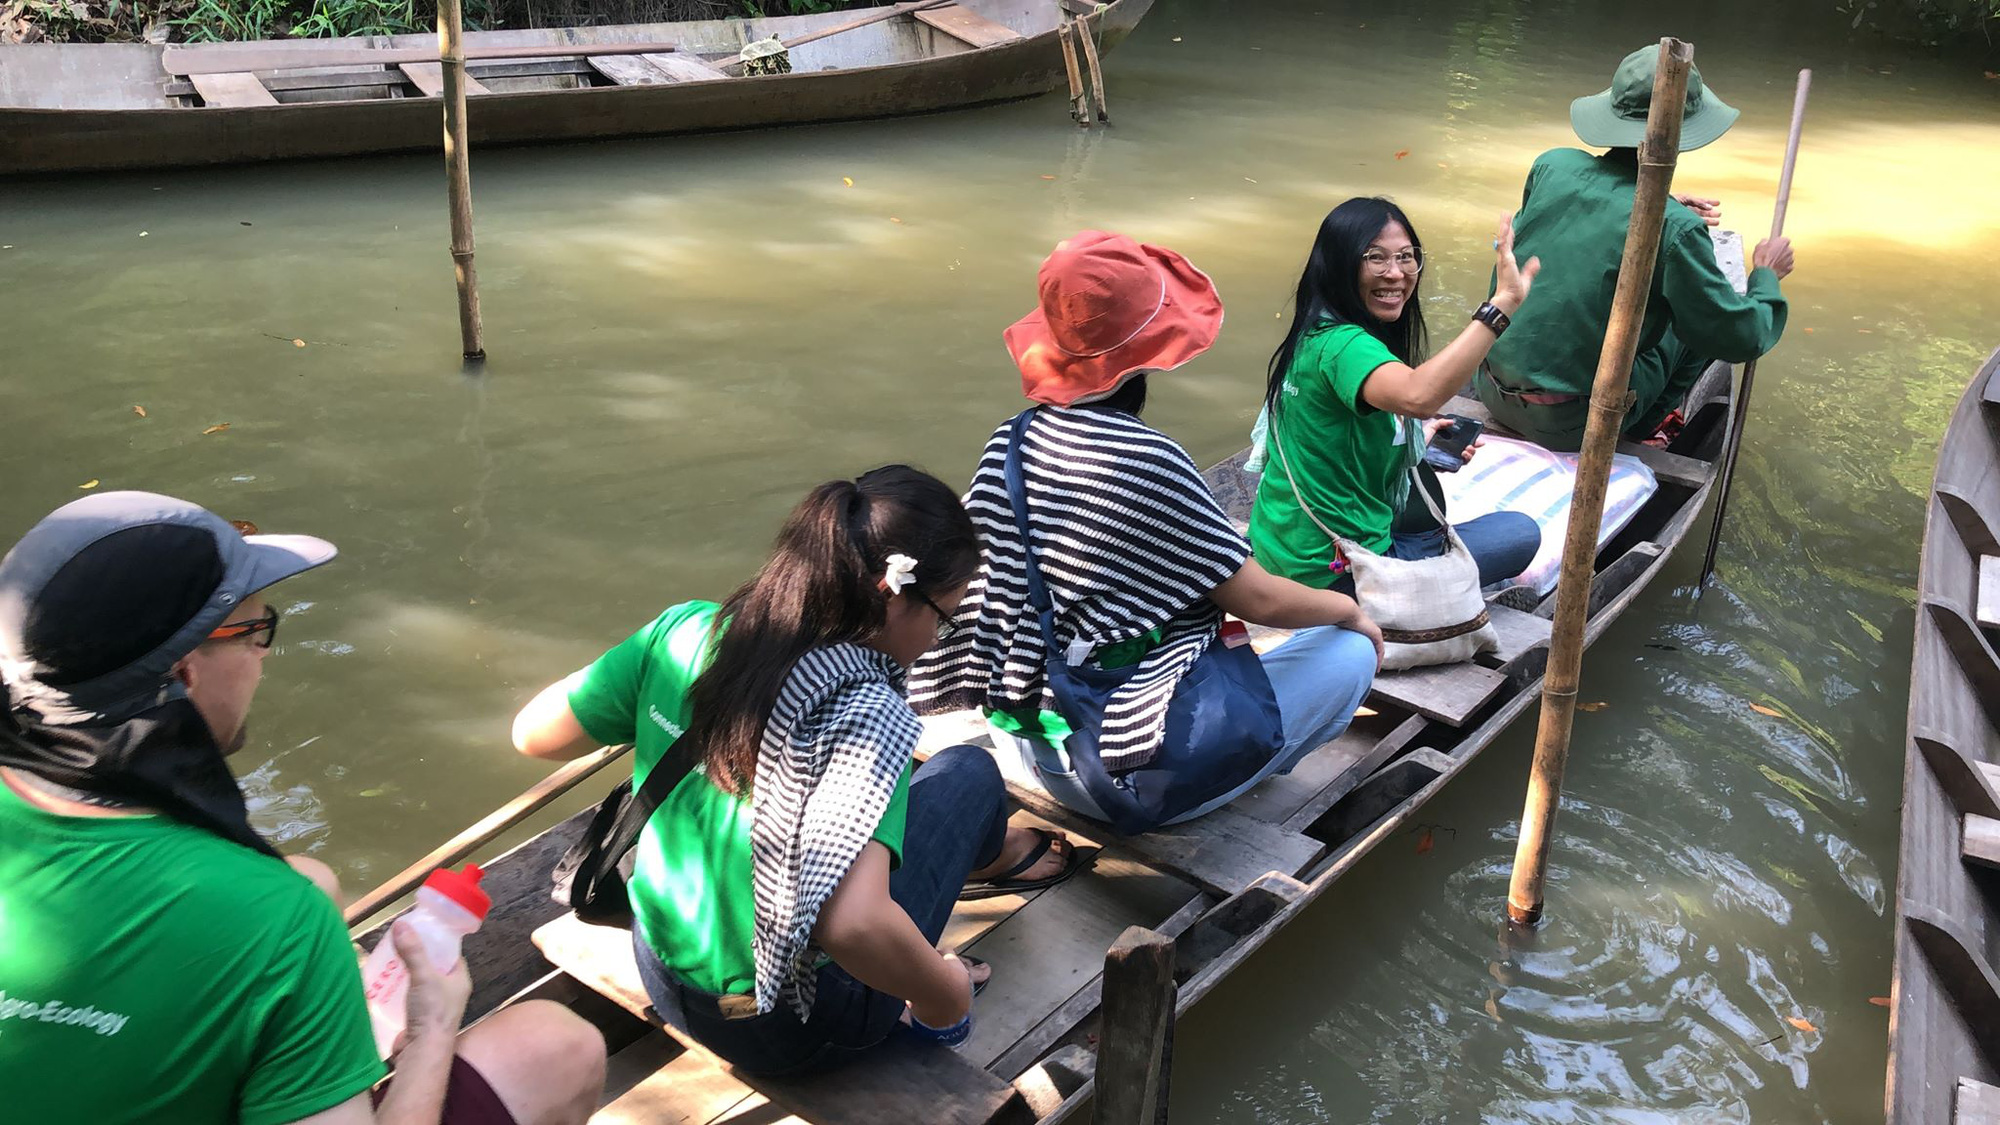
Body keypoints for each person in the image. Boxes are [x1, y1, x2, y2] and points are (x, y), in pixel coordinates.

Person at [0, 491, 606, 1125]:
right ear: (182, 674)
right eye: (256, 632)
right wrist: (430, 1034)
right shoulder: (271, 920)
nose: (263, 656)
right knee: (552, 1049)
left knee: (312, 881)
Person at [511, 466, 1082, 1076]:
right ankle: (987, 865)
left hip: (660, 966)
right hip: (788, 1026)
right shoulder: (866, 718)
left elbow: (534, 734)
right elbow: (853, 926)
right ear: (893, 593)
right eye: (943, 618)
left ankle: (976, 866)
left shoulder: (689, 630)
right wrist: (945, 997)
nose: (938, 636)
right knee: (969, 771)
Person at [906, 230, 1385, 829]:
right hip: (1127, 777)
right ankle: (1240, 771)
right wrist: (1349, 613)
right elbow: (1257, 597)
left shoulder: (1009, 440)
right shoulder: (1146, 457)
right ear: (1148, 355)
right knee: (1347, 652)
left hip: (1028, 746)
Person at [1474, 44, 1794, 451]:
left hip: (1488, 386)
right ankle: (1636, 430)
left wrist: (1665, 202)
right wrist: (1766, 276)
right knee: (1696, 327)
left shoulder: (1552, 165)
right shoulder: (1675, 228)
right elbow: (1740, 338)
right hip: (1572, 423)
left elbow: (1592, 215)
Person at [1249, 197, 1544, 595]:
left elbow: (1352, 435)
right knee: (1518, 533)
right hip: (1335, 572)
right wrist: (1502, 305)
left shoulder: (1314, 332)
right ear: (1339, 265)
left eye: (1406, 258)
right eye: (1376, 258)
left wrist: (1415, 441)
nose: (1396, 274)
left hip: (1278, 553)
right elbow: (1418, 396)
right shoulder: (1346, 347)